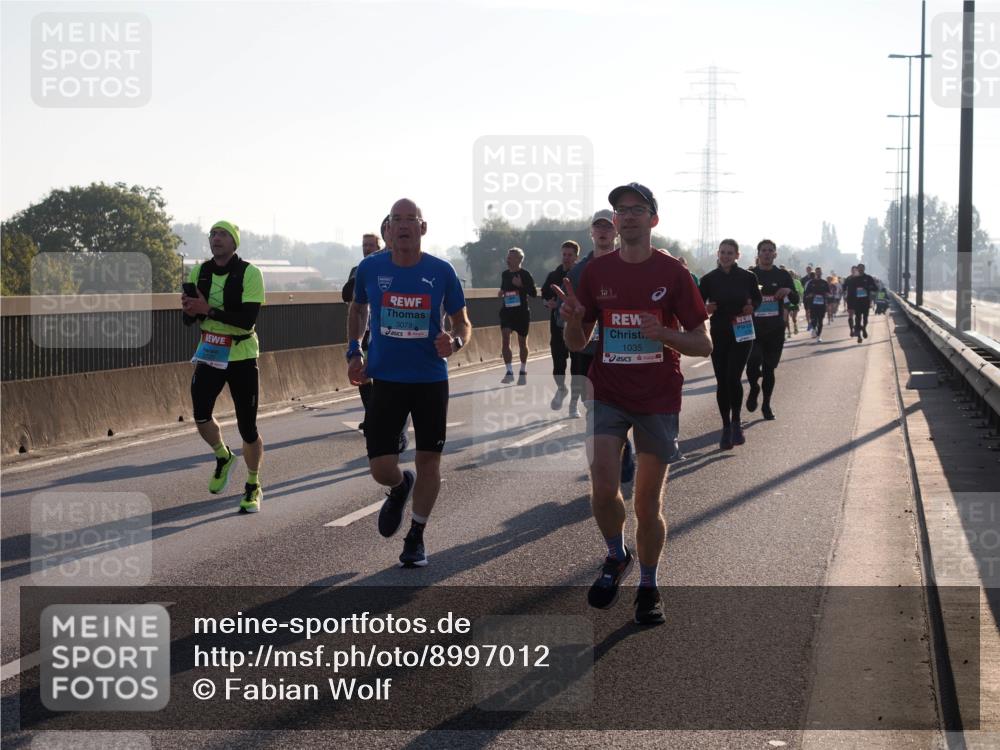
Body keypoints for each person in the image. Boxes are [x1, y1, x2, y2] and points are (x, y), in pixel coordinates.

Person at [556, 183, 711, 626]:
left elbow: (704, 344)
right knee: (603, 488)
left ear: (653, 220)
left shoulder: (673, 274)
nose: (627, 217)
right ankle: (615, 553)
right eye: (620, 210)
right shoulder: (596, 273)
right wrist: (571, 320)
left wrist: (664, 335)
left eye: (637, 210)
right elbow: (579, 342)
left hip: (657, 397)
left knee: (646, 505)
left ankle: (649, 584)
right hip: (607, 391)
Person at [347, 198, 472, 568]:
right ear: (388, 228)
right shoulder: (370, 268)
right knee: (380, 467)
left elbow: (463, 322)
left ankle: (416, 534)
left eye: (410, 220)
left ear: (423, 227)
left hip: (430, 379)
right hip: (384, 378)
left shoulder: (441, 270)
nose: (403, 226)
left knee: (430, 459)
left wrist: (456, 341)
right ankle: (401, 485)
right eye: (396, 220)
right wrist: (354, 351)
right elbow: (357, 308)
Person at [182, 220, 266, 513]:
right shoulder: (200, 272)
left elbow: (246, 319)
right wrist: (190, 310)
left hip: (241, 354)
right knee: (201, 414)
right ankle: (223, 456)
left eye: (222, 235)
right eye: (213, 234)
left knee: (247, 426)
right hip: (210, 351)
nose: (216, 239)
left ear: (234, 242)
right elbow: (191, 320)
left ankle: (253, 485)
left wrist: (209, 310)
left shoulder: (250, 273)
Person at [567, 210, 636, 484]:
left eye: (608, 226)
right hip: (588, 351)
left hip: (623, 349)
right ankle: (619, 451)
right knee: (594, 407)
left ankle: (623, 446)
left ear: (616, 231)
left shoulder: (631, 263)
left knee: (626, 405)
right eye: (598, 226)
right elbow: (571, 310)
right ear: (591, 233)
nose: (604, 231)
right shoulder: (580, 270)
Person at [699, 239, 761, 448]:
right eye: (723, 252)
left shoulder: (747, 277)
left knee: (733, 377)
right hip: (719, 333)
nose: (726, 256)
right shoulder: (709, 279)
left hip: (742, 333)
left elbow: (757, 299)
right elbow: (697, 303)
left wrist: (752, 308)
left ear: (737, 255)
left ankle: (736, 422)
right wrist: (706, 308)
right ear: (718, 254)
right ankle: (726, 427)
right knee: (722, 381)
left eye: (730, 253)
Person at [747, 240, 797, 421]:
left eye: (770, 251)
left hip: (775, 329)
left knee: (769, 369)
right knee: (752, 363)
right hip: (753, 329)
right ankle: (754, 387)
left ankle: (766, 404)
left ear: (775, 254)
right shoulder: (750, 274)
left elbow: (796, 298)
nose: (767, 253)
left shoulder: (782, 274)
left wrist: (787, 290)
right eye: (763, 250)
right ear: (758, 253)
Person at [342, 231, 383, 433]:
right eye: (364, 245)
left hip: (380, 331)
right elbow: (347, 296)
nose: (367, 248)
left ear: (379, 247)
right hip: (361, 332)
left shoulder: (386, 268)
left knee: (380, 376)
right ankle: (371, 415)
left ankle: (379, 415)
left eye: (371, 245)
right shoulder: (357, 270)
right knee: (363, 375)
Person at [541, 241, 580, 409]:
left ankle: (573, 403)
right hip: (557, 327)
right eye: (564, 254)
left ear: (576, 257)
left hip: (577, 328)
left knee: (578, 366)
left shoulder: (581, 274)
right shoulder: (553, 275)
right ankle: (561, 389)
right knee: (558, 363)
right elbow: (544, 296)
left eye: (570, 255)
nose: (566, 258)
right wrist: (547, 303)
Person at [497, 247, 537, 385]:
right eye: (507, 257)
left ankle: (523, 370)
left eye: (511, 258)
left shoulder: (525, 274)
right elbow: (504, 287)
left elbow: (533, 293)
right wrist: (501, 292)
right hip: (507, 312)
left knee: (522, 342)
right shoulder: (505, 274)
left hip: (522, 313)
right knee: (505, 338)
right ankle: (509, 372)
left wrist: (521, 285)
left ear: (519, 260)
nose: (508, 260)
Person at [843, 262, 879, 343]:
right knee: (858, 319)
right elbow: (849, 291)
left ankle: (864, 328)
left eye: (862, 269)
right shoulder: (853, 279)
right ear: (857, 269)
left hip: (865, 301)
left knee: (865, 318)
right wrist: (848, 299)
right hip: (856, 302)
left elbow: (875, 288)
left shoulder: (868, 278)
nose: (861, 270)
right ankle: (859, 336)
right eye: (859, 269)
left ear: (864, 269)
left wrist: (867, 288)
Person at [803, 271, 831, 342]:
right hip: (813, 304)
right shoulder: (811, 283)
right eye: (817, 272)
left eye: (819, 273)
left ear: (821, 274)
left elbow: (829, 292)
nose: (818, 274)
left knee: (820, 321)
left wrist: (827, 294)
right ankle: (814, 329)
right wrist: (810, 295)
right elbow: (806, 293)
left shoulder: (824, 283)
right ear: (815, 274)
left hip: (822, 304)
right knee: (814, 319)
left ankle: (818, 336)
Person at [786, 268, 803, 338]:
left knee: (793, 318)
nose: (790, 276)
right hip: (787, 303)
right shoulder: (785, 282)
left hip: (795, 303)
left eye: (791, 274)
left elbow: (801, 291)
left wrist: (800, 299)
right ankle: (789, 332)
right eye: (789, 274)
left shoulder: (797, 282)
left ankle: (795, 326)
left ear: (793, 275)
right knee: (786, 319)